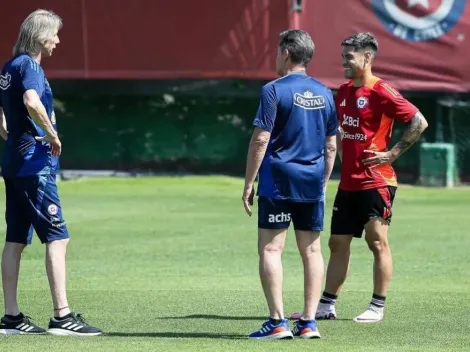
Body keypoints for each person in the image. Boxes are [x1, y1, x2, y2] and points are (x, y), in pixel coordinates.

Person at [291, 32, 428, 324]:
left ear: (367, 57)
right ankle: (326, 305)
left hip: (376, 181)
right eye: (342, 56)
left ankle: (377, 306)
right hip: (349, 183)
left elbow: (419, 121)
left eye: (349, 56)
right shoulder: (343, 92)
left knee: (376, 241)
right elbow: (340, 133)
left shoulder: (381, 91)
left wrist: (392, 154)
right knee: (337, 243)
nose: (344, 61)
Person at [0, 9, 102, 336]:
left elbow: (3, 114)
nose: (57, 41)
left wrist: (13, 136)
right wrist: (51, 134)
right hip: (35, 167)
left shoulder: (9, 67)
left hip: (14, 164)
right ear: (42, 36)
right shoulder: (29, 66)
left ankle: (12, 317)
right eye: (55, 35)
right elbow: (31, 100)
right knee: (58, 238)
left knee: (15, 240)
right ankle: (62, 316)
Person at [242, 29, 338, 339]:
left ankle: (277, 322)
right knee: (312, 251)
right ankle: (309, 322)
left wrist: (248, 181)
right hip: (311, 181)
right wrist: (322, 181)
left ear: (286, 52)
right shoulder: (325, 93)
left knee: (271, 248)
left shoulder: (273, 90)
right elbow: (331, 146)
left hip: (279, 181)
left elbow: (261, 138)